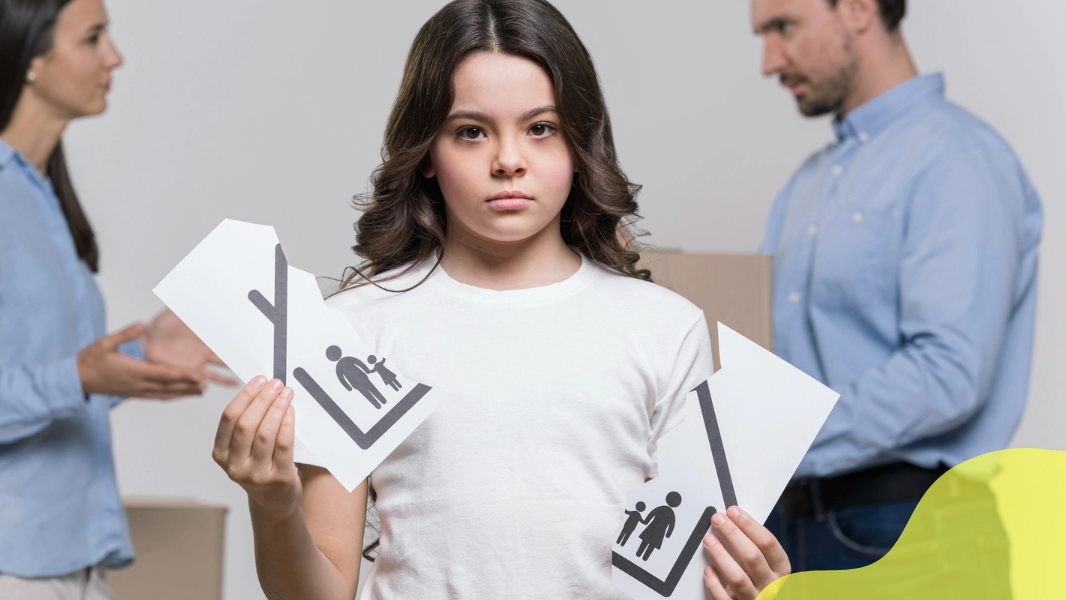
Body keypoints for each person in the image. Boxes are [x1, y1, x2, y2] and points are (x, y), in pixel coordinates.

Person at [212, 2, 791, 599]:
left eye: (541, 128)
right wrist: (273, 503)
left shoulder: (664, 330)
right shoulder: (352, 330)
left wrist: (750, 588)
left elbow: (681, 575)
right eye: (471, 131)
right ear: (427, 153)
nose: (508, 160)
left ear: (579, 142)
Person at [0, 0, 232, 597]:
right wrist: (75, 377)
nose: (114, 57)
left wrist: (146, 351)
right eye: (93, 38)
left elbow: (53, 376)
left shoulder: (39, 196)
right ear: (30, 56)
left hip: (68, 562)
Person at [752, 0, 1041, 579]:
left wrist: (782, 437)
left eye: (784, 27)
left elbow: (949, 371)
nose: (768, 61)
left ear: (858, 10)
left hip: (910, 527)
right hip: (789, 528)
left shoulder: (958, 159)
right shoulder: (805, 184)